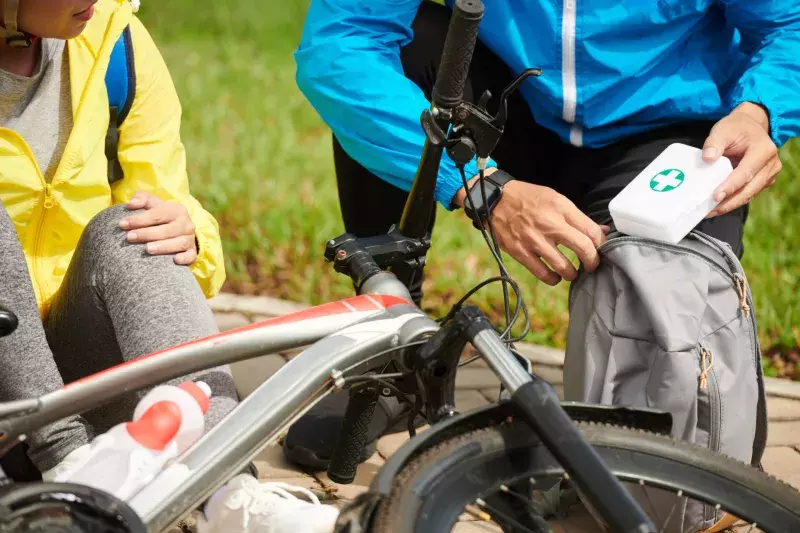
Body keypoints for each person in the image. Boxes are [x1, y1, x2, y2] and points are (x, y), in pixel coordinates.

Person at [285, 0, 799, 469]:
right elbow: (344, 40)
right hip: (512, 106)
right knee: (401, 54)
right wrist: (482, 186)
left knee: (653, 440)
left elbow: (789, 22)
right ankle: (395, 355)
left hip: (664, 134)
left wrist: (761, 110)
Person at [0, 1, 338, 531]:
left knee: (133, 228)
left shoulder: (115, 42)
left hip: (74, 377)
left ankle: (226, 487)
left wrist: (189, 232)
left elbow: (163, 200)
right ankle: (70, 466)